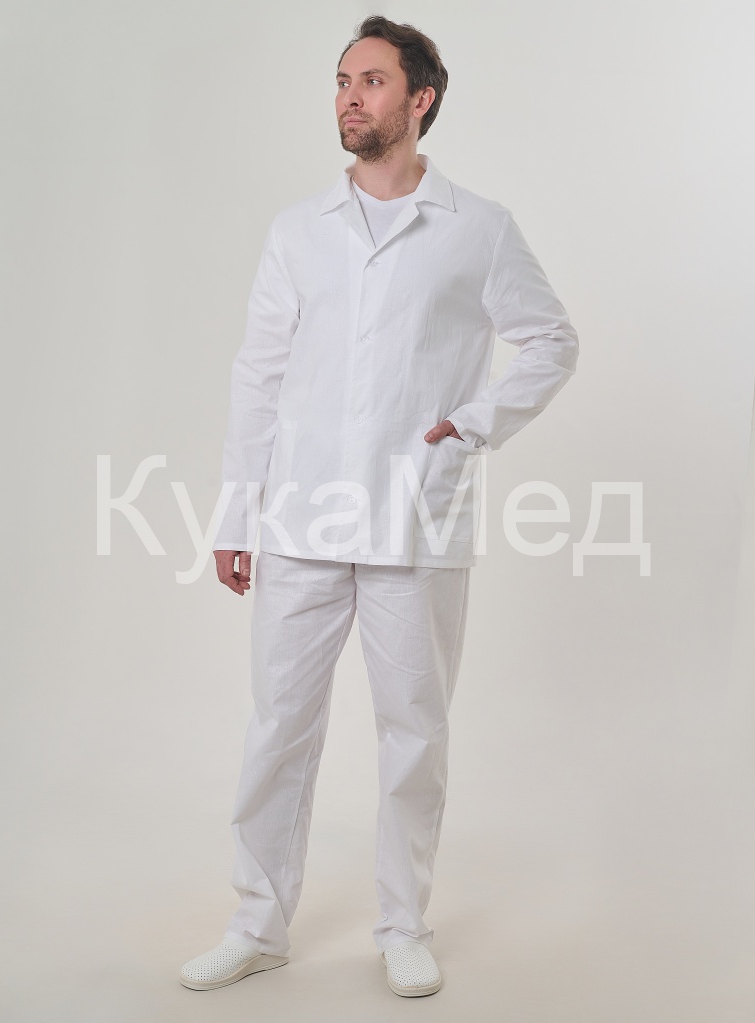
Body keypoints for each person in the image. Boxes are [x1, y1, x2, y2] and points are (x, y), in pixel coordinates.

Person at [180, 14, 578, 998]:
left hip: (416, 519)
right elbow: (258, 376)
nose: (349, 97)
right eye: (341, 81)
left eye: (370, 81)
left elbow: (551, 340)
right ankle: (257, 923)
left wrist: (472, 425)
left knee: (414, 734)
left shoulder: (478, 228)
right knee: (279, 727)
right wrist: (236, 516)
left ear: (419, 98)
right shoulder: (298, 231)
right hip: (301, 519)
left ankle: (403, 924)